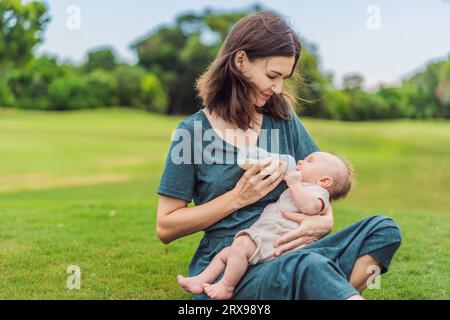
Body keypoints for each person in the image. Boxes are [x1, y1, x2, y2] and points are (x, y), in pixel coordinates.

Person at [156, 12, 402, 300]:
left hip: (291, 245)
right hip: (236, 260)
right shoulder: (193, 132)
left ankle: (311, 286)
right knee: (306, 266)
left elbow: (322, 181)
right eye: (272, 75)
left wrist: (325, 221)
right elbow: (165, 226)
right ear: (240, 61)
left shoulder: (282, 117)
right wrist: (238, 197)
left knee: (383, 229)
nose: (278, 88)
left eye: (284, 78)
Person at [177, 151, 353, 299]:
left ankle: (226, 286)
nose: (300, 161)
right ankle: (201, 279)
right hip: (267, 236)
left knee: (240, 244)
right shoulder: (305, 186)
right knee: (226, 254)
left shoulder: (318, 192)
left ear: (324, 181)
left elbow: (311, 207)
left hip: (276, 238)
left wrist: (295, 183)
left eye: (309, 161)